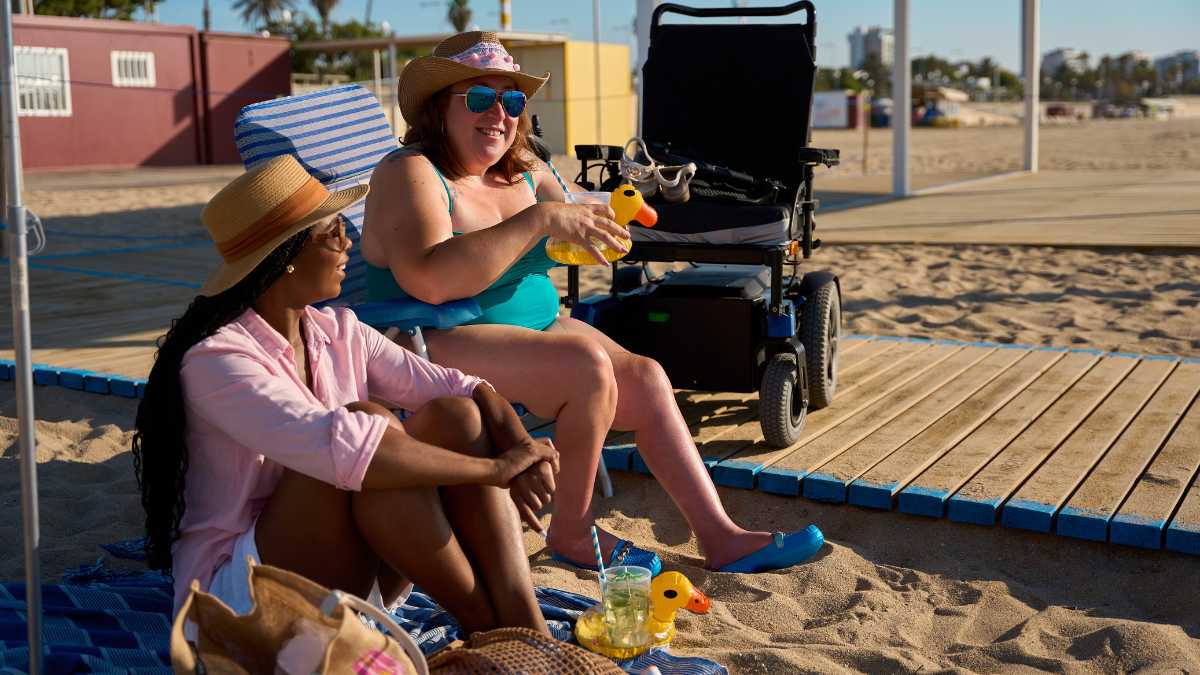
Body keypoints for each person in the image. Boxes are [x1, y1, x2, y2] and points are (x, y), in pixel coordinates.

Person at [360, 32, 819, 575]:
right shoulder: (411, 171)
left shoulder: (522, 167)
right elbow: (429, 279)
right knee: (587, 369)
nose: (499, 116)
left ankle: (721, 537)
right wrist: (538, 220)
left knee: (646, 377)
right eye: (479, 99)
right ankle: (572, 531)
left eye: (511, 102)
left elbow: (578, 214)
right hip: (427, 338)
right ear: (440, 108)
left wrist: (606, 226)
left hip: (529, 327)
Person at [132, 155, 557, 637]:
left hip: (346, 568)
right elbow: (342, 447)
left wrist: (522, 446)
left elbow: (460, 386)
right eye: (330, 232)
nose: (346, 242)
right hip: (240, 597)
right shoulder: (216, 360)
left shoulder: (338, 330)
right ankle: (487, 626)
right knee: (365, 427)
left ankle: (521, 618)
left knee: (457, 416)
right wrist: (494, 471)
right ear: (285, 255)